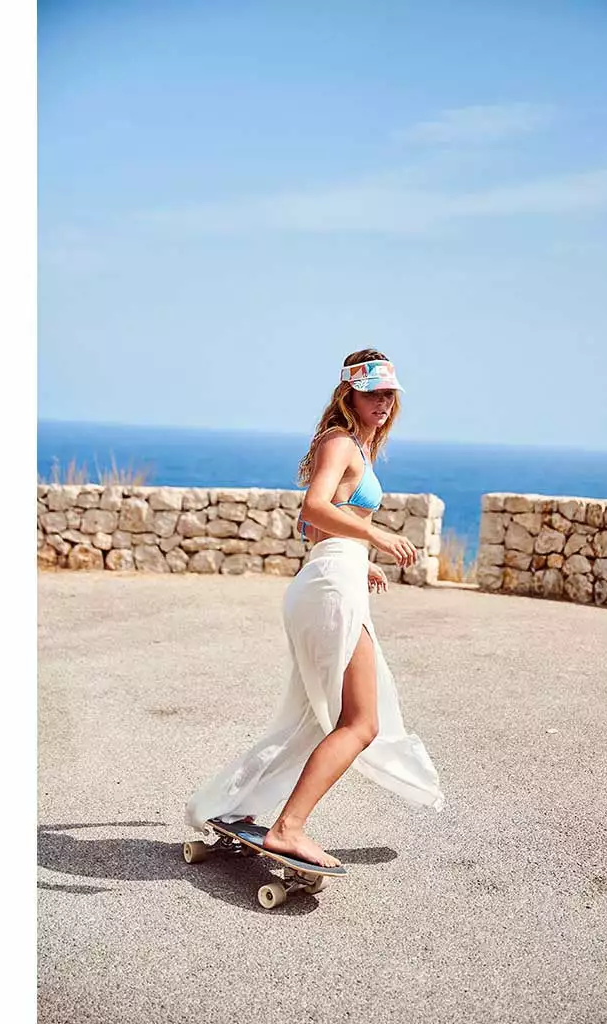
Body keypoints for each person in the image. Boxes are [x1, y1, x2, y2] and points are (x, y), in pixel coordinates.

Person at [184, 349, 445, 867]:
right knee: (361, 723)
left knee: (310, 719)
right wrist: (376, 538)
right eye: (373, 393)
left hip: (331, 576)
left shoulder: (352, 447)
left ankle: (231, 805)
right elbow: (314, 508)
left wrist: (358, 559)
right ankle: (289, 828)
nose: (383, 403)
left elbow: (317, 529)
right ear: (349, 393)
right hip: (329, 586)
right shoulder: (340, 442)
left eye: (389, 394)